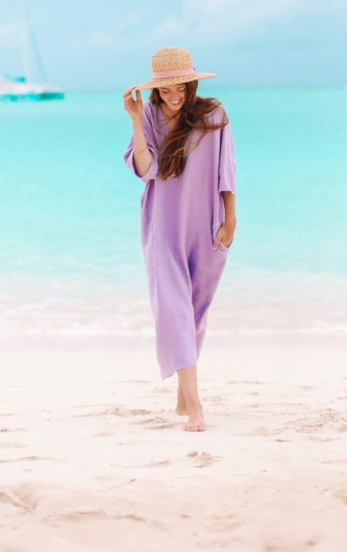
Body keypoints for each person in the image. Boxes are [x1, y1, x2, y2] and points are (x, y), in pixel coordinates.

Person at [122, 46, 236, 432]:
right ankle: (197, 405)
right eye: (166, 90)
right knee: (173, 310)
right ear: (157, 89)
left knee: (196, 311)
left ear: (190, 83)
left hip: (207, 223)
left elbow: (226, 167)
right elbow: (145, 169)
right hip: (163, 226)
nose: (174, 96)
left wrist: (231, 217)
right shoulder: (151, 114)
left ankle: (182, 394)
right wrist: (137, 121)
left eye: (180, 88)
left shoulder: (213, 114)